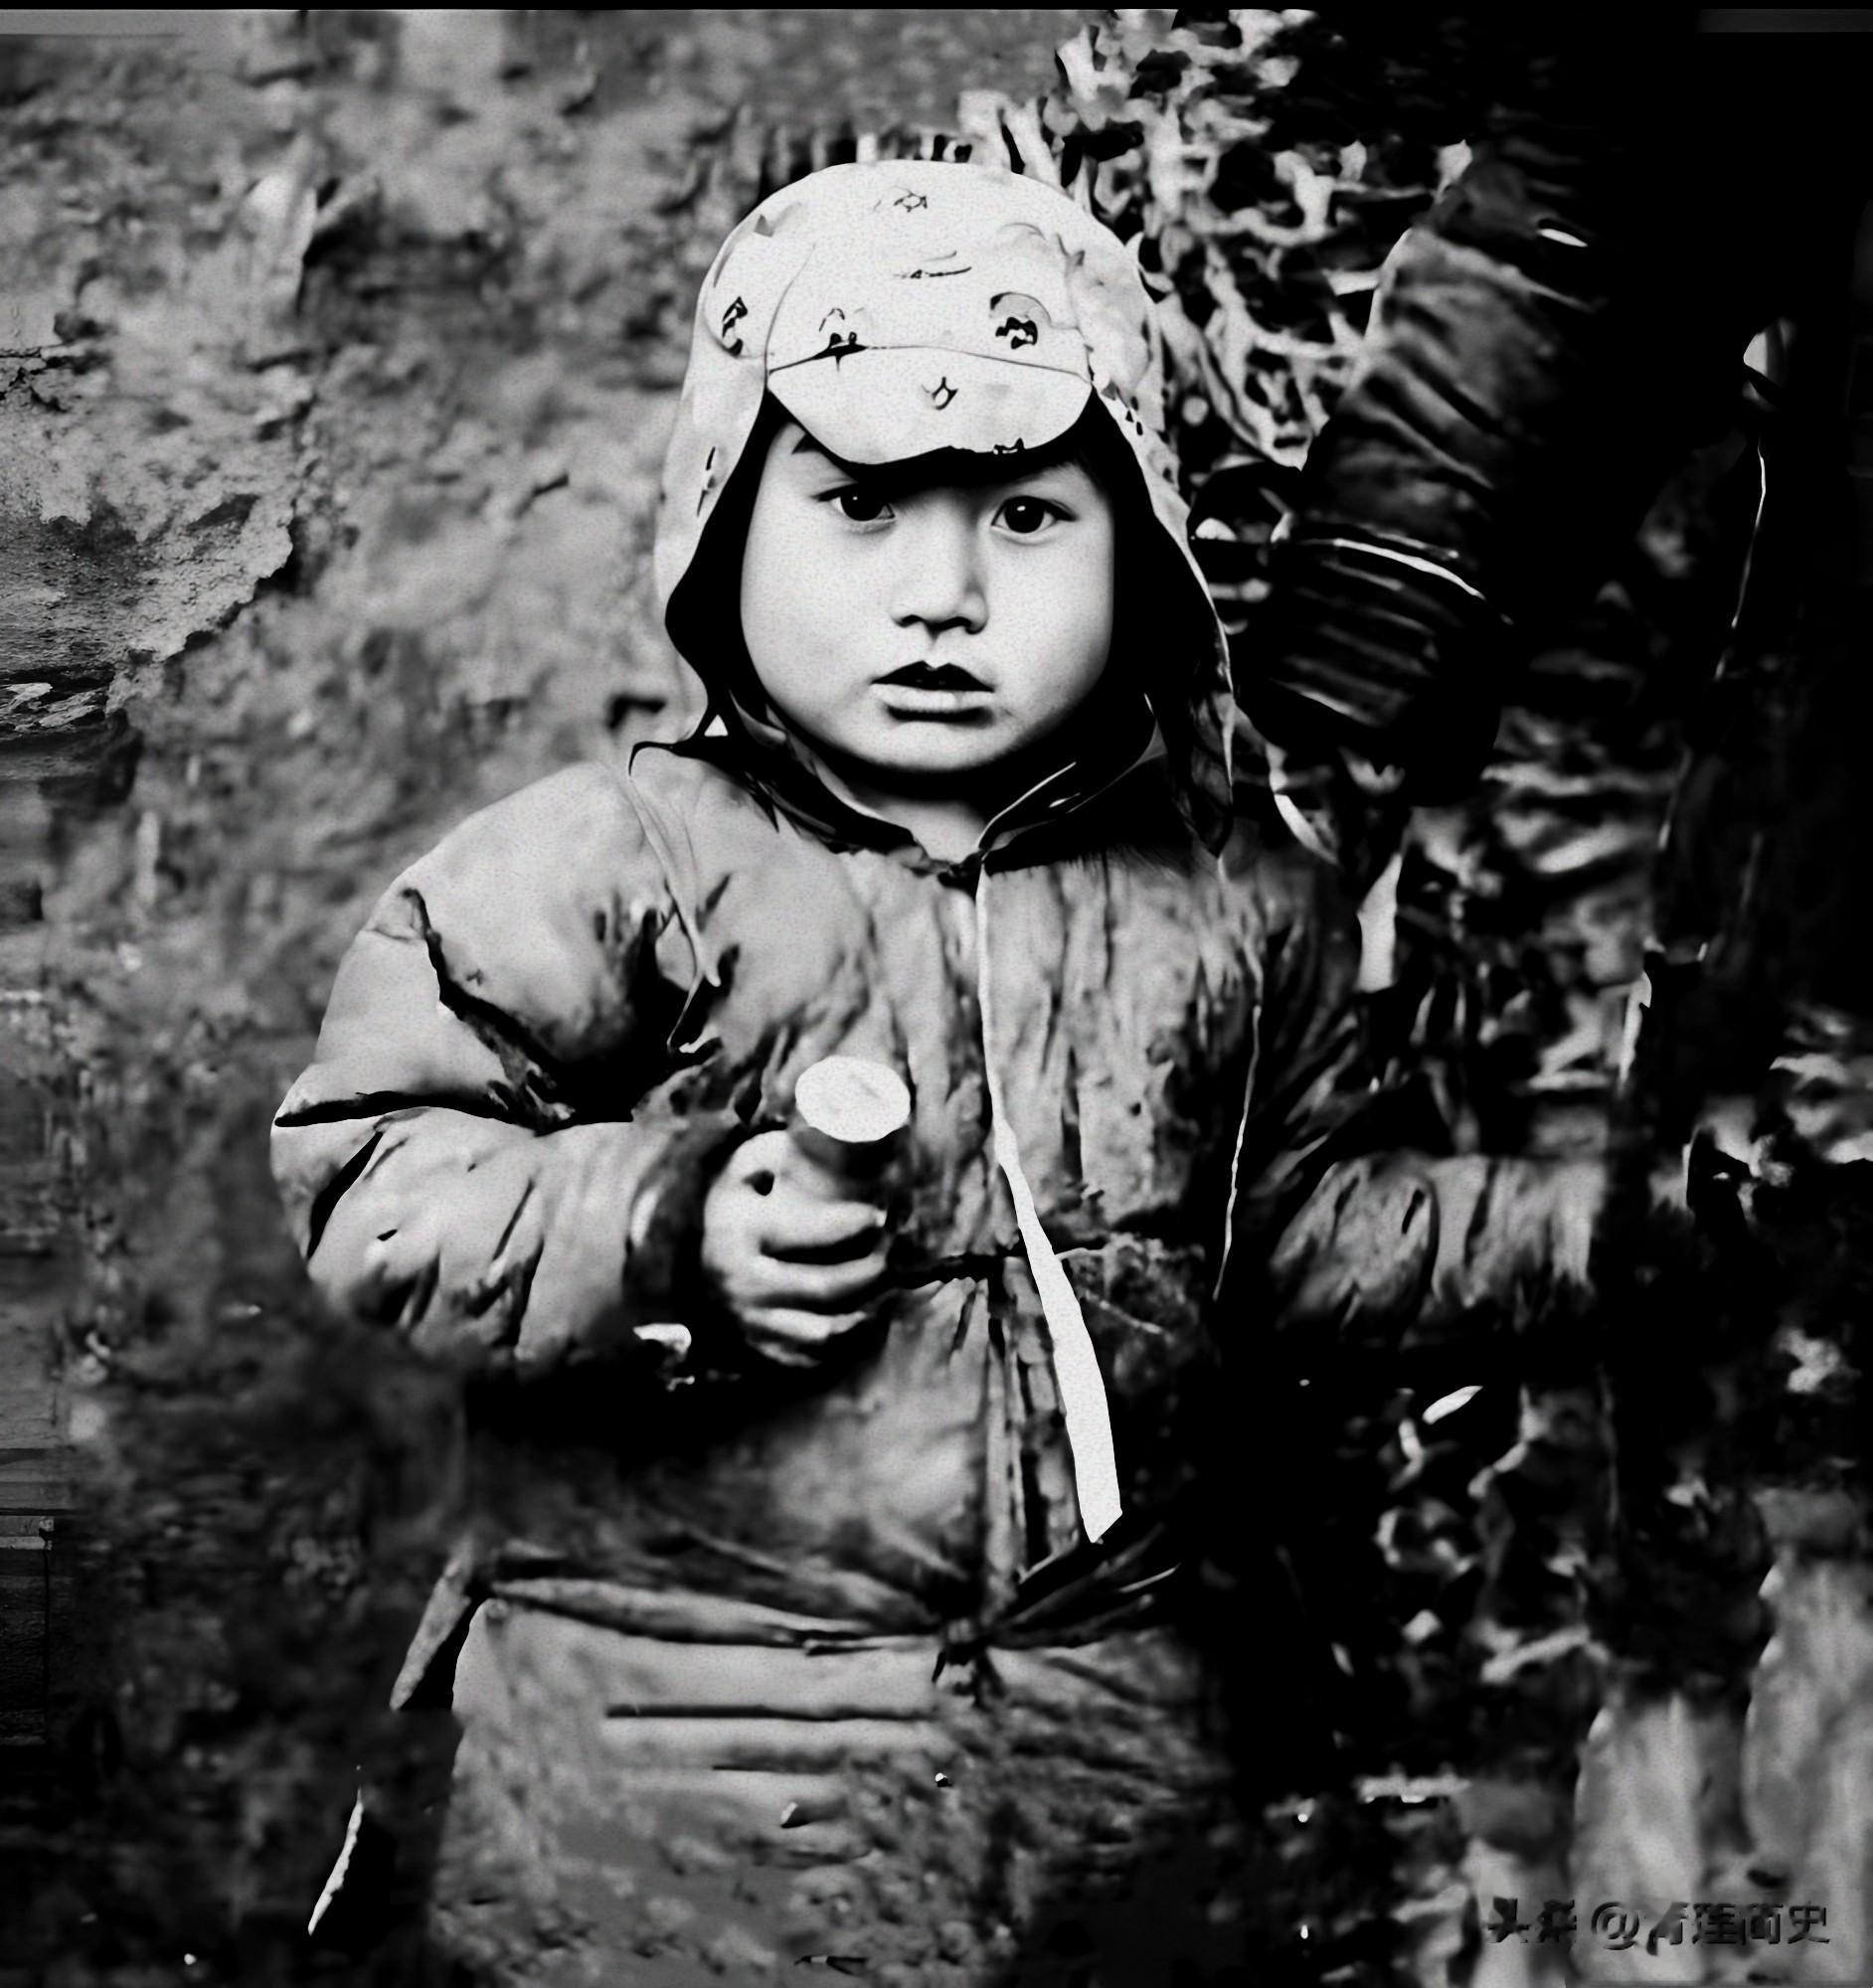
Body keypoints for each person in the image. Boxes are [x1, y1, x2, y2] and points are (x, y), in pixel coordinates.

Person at [271, 160, 1422, 1986]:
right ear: (726, 518)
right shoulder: (618, 865)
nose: (944, 594)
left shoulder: (1225, 901)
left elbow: (1314, 1242)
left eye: (1029, 516)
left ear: (1142, 550)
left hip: (1099, 1779)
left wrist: (1634, 1230)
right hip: (677, 1780)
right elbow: (370, 1165)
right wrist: (666, 1227)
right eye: (863, 506)